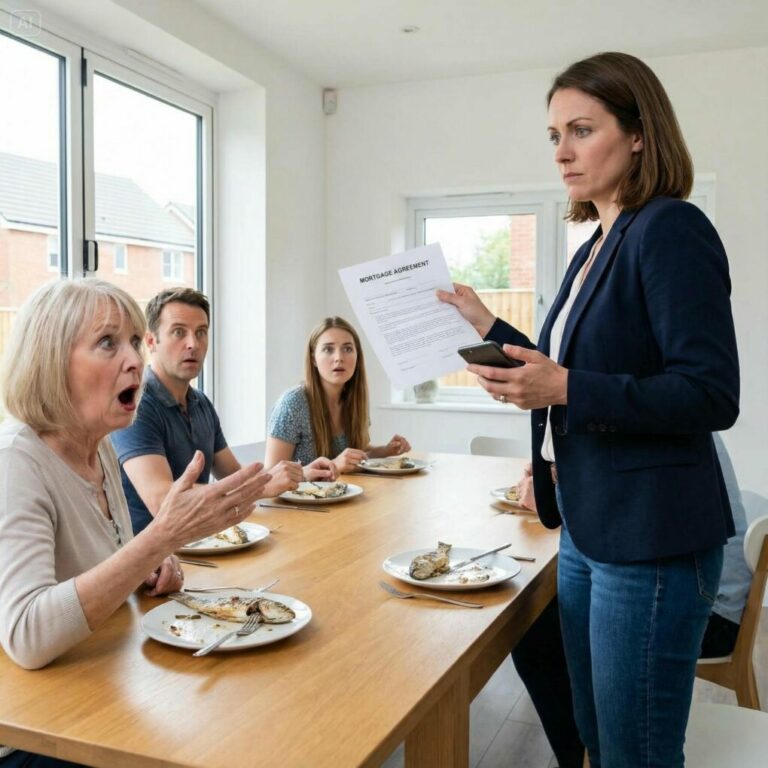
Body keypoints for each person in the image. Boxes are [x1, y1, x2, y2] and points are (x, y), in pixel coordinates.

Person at [439, 52, 739, 767]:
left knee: (635, 750)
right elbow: (576, 367)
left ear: (639, 134)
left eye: (581, 129)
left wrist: (566, 389)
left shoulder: (670, 228)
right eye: (553, 136)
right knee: (597, 736)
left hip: (652, 538)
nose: (563, 152)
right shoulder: (597, 244)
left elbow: (709, 392)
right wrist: (489, 328)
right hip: (587, 526)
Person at [0, 279, 270, 765]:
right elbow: (27, 634)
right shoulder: (14, 461)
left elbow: (117, 559)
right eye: (108, 342)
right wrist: (160, 539)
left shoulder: (99, 444)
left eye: (132, 341)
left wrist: (156, 561)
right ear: (49, 359)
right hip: (34, 736)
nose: (133, 359)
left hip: (96, 683)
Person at [510, 433, 752, 768]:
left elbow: (624, 499)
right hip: (678, 569)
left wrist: (551, 485)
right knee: (536, 630)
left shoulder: (648, 422)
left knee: (534, 634)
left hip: (711, 608)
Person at [111, 288, 329, 535]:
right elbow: (162, 500)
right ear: (151, 342)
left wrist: (301, 474)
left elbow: (235, 475)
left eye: (201, 333)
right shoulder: (136, 404)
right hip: (155, 563)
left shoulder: (200, 402)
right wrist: (259, 489)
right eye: (178, 332)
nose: (193, 344)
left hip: (204, 543)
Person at [265, 317, 411, 474]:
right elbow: (271, 477)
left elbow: (358, 452)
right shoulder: (292, 404)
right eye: (328, 349)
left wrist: (385, 450)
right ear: (313, 358)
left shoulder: (354, 400)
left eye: (347, 349)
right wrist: (333, 465)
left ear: (357, 357)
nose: (339, 358)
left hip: (343, 495)